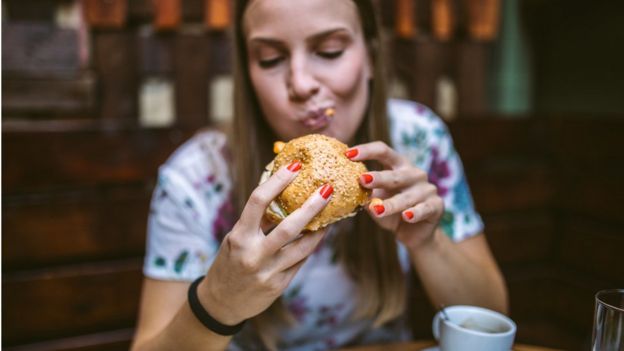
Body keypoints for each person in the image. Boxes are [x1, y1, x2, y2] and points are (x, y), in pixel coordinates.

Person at [131, 0, 508, 350]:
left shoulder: (417, 139)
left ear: (371, 55)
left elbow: (492, 317)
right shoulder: (195, 178)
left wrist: (429, 243)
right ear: (247, 74)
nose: (301, 83)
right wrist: (216, 302)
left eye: (330, 51)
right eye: (270, 58)